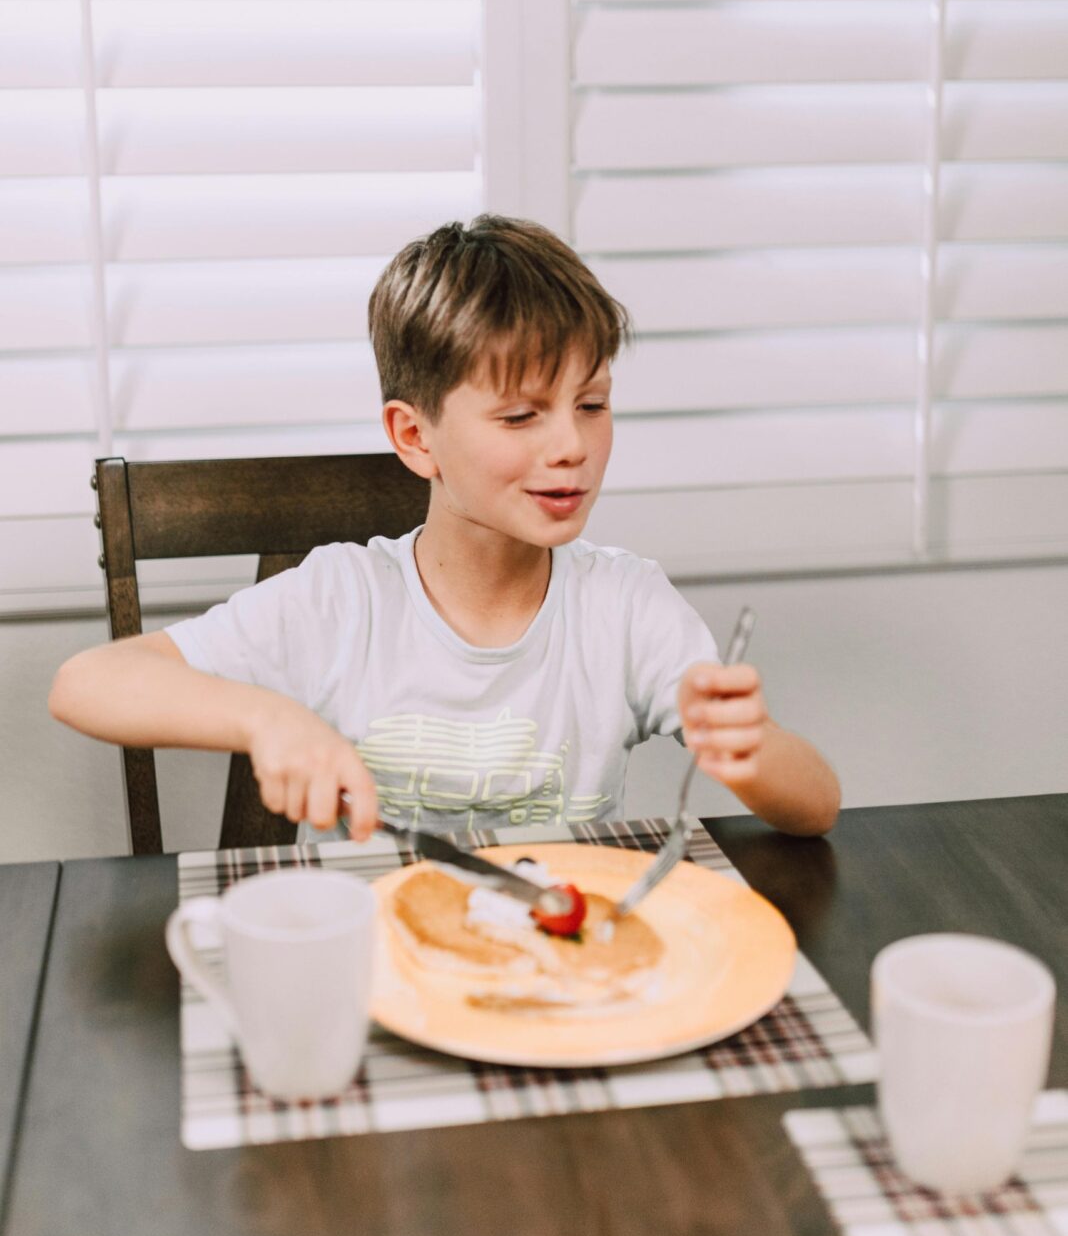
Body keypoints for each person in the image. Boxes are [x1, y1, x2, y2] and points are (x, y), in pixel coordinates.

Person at [50, 216, 840, 843]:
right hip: (380, 965)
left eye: (592, 405)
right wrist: (269, 719)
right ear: (416, 437)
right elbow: (84, 682)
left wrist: (748, 748)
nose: (571, 444)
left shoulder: (626, 607)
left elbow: (817, 809)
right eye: (521, 414)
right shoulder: (344, 601)